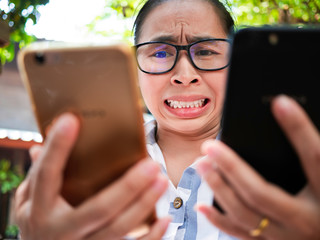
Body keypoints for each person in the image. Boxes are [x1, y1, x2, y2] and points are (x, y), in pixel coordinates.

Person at [14, 0, 320, 239]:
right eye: (159, 53)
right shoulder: (82, 168)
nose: (184, 76)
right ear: (134, 68)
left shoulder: (294, 170)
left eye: (206, 51)